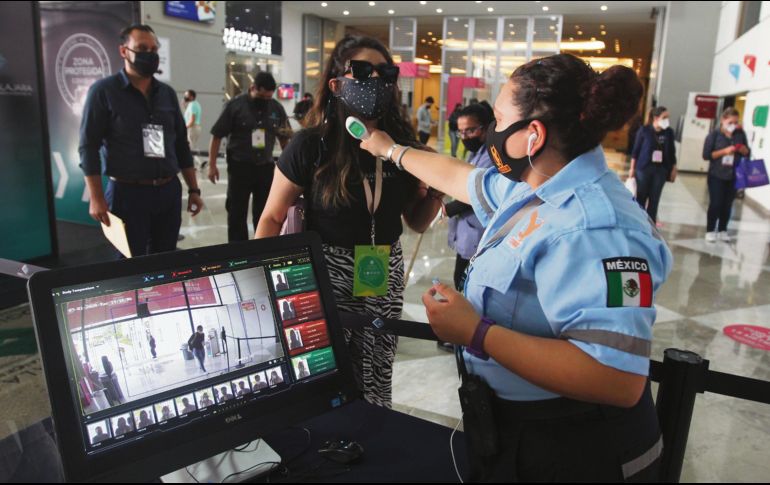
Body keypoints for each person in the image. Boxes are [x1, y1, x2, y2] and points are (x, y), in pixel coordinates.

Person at [360, 53, 671, 482]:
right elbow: (460, 177)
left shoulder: (595, 227)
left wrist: (475, 332)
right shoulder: (538, 187)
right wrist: (390, 149)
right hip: (520, 431)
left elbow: (617, 377)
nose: (490, 132)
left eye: (500, 118)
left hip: (577, 447)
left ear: (533, 134)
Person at [255, 35, 443, 408]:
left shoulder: (400, 146)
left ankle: (374, 431)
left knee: (376, 364)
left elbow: (417, 223)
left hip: (383, 268)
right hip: (325, 269)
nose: (374, 80)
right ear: (336, 83)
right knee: (328, 370)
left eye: (385, 73)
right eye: (361, 71)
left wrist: (436, 189)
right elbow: (272, 217)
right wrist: (268, 288)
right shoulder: (312, 145)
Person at [79, 24, 203, 257]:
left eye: (154, 49)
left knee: (165, 260)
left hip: (168, 191)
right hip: (126, 194)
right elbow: (88, 146)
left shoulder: (166, 93)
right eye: (142, 48)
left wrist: (194, 189)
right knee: (129, 263)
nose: (150, 53)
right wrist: (95, 197)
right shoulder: (103, 92)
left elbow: (180, 145)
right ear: (124, 51)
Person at [208, 72, 293, 242]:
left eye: (268, 97)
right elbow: (217, 135)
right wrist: (212, 165)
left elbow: (284, 137)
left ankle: (261, 249)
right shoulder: (235, 106)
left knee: (264, 212)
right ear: (252, 88)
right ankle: (238, 253)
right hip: (240, 167)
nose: (265, 100)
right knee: (236, 212)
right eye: (261, 96)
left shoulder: (276, 108)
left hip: (265, 167)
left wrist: (289, 167)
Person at [702, 107, 750, 243]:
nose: (733, 125)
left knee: (727, 205)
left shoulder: (740, 134)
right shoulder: (714, 135)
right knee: (716, 203)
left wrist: (744, 150)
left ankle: (723, 230)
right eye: (730, 122)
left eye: (736, 122)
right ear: (723, 120)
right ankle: (710, 230)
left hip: (734, 175)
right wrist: (724, 151)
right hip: (716, 175)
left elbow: (747, 152)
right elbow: (706, 155)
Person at [628, 106, 677, 224]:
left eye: (668, 118)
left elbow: (672, 152)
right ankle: (639, 223)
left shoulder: (669, 132)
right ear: (656, 118)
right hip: (644, 169)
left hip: (661, 169)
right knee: (641, 197)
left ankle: (651, 225)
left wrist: (674, 168)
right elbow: (635, 151)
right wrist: (632, 169)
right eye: (664, 117)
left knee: (654, 199)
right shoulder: (644, 130)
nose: (667, 120)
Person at [184, 89, 203, 168]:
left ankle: (201, 163)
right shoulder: (195, 104)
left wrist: (185, 127)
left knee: (191, 147)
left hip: (192, 127)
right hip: (195, 127)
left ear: (191, 96)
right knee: (193, 146)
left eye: (186, 95)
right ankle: (194, 165)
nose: (185, 97)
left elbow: (192, 119)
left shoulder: (192, 105)